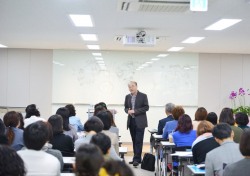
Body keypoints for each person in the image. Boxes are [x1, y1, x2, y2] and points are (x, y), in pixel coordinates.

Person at [124, 81, 149, 166]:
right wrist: (128, 111)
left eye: (132, 86)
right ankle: (137, 158)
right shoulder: (127, 97)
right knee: (134, 140)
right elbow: (125, 108)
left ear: (136, 86)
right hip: (131, 121)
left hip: (140, 122)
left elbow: (146, 107)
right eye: (129, 87)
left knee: (139, 140)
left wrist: (135, 111)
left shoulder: (143, 96)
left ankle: (136, 159)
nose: (131, 88)